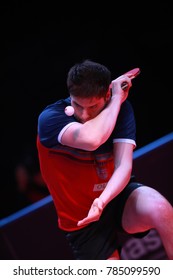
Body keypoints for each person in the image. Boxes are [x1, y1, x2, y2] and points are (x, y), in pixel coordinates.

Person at [36, 59, 173, 260]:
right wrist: (117, 98)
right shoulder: (51, 118)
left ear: (106, 95)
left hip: (116, 196)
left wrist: (102, 201)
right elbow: (92, 139)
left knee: (161, 209)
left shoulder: (122, 110)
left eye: (92, 106)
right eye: (77, 105)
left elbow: (124, 167)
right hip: (81, 222)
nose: (83, 114)